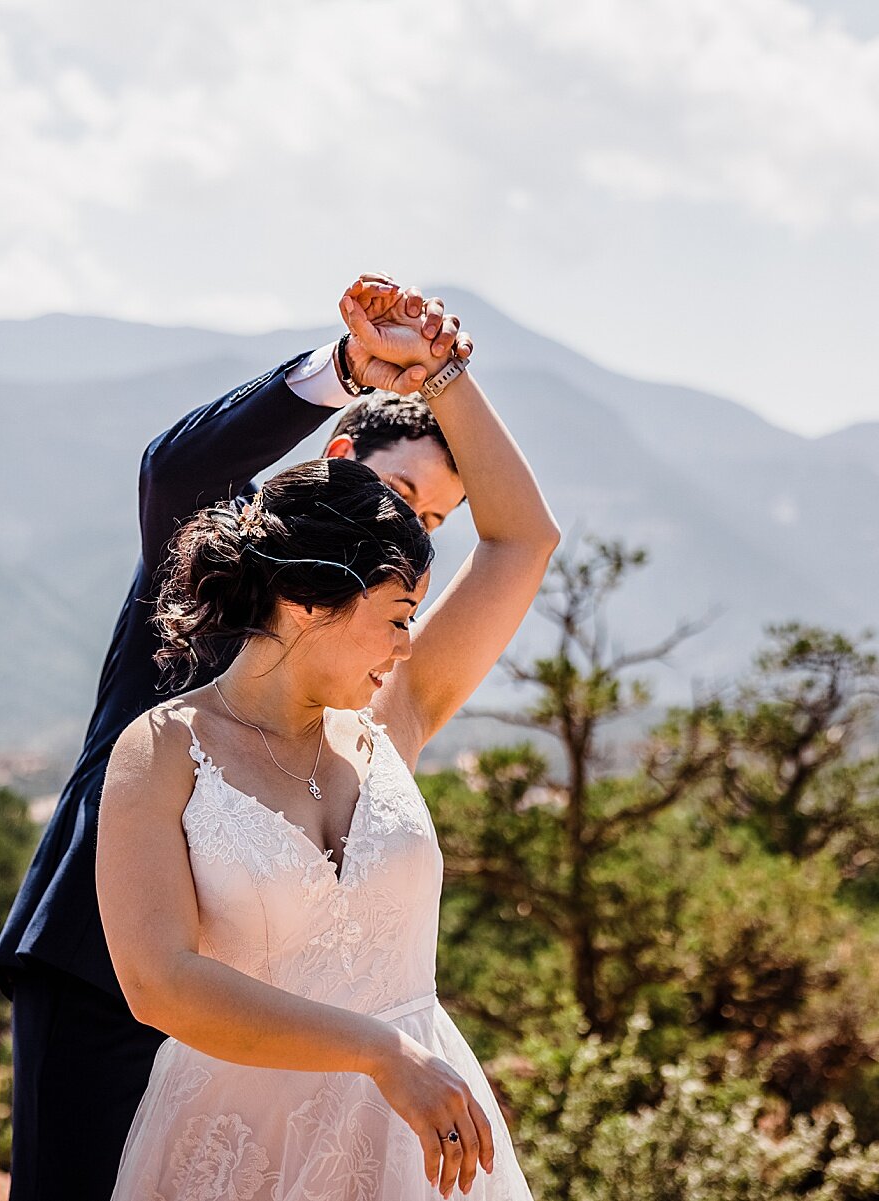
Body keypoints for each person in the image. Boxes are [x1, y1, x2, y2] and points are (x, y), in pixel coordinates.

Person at [0, 275, 474, 1199]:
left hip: (282, 1040)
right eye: (402, 492)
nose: (406, 528)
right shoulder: (215, 574)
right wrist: (348, 367)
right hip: (103, 976)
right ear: (339, 452)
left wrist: (455, 382)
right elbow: (175, 469)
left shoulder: (378, 656)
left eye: (431, 520)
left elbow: (524, 542)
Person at [97, 296, 560, 1198]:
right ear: (308, 603)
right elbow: (160, 983)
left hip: (416, 1141)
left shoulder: (395, 716)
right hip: (239, 1144)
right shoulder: (161, 750)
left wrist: (445, 373)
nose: (405, 647)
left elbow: (523, 541)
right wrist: (380, 1052)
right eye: (396, 619)